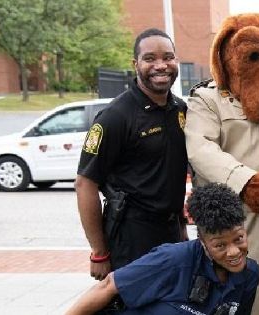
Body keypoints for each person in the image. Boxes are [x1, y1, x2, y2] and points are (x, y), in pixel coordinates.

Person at [75, 28, 188, 281]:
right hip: (131, 237)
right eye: (150, 59)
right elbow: (85, 184)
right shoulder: (116, 116)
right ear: (135, 64)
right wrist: (99, 253)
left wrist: (180, 227)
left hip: (171, 232)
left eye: (168, 57)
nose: (161, 65)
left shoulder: (180, 109)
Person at [66, 183, 259, 314]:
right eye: (220, 245)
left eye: (239, 238)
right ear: (202, 241)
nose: (234, 251)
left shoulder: (250, 274)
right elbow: (107, 286)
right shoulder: (172, 260)